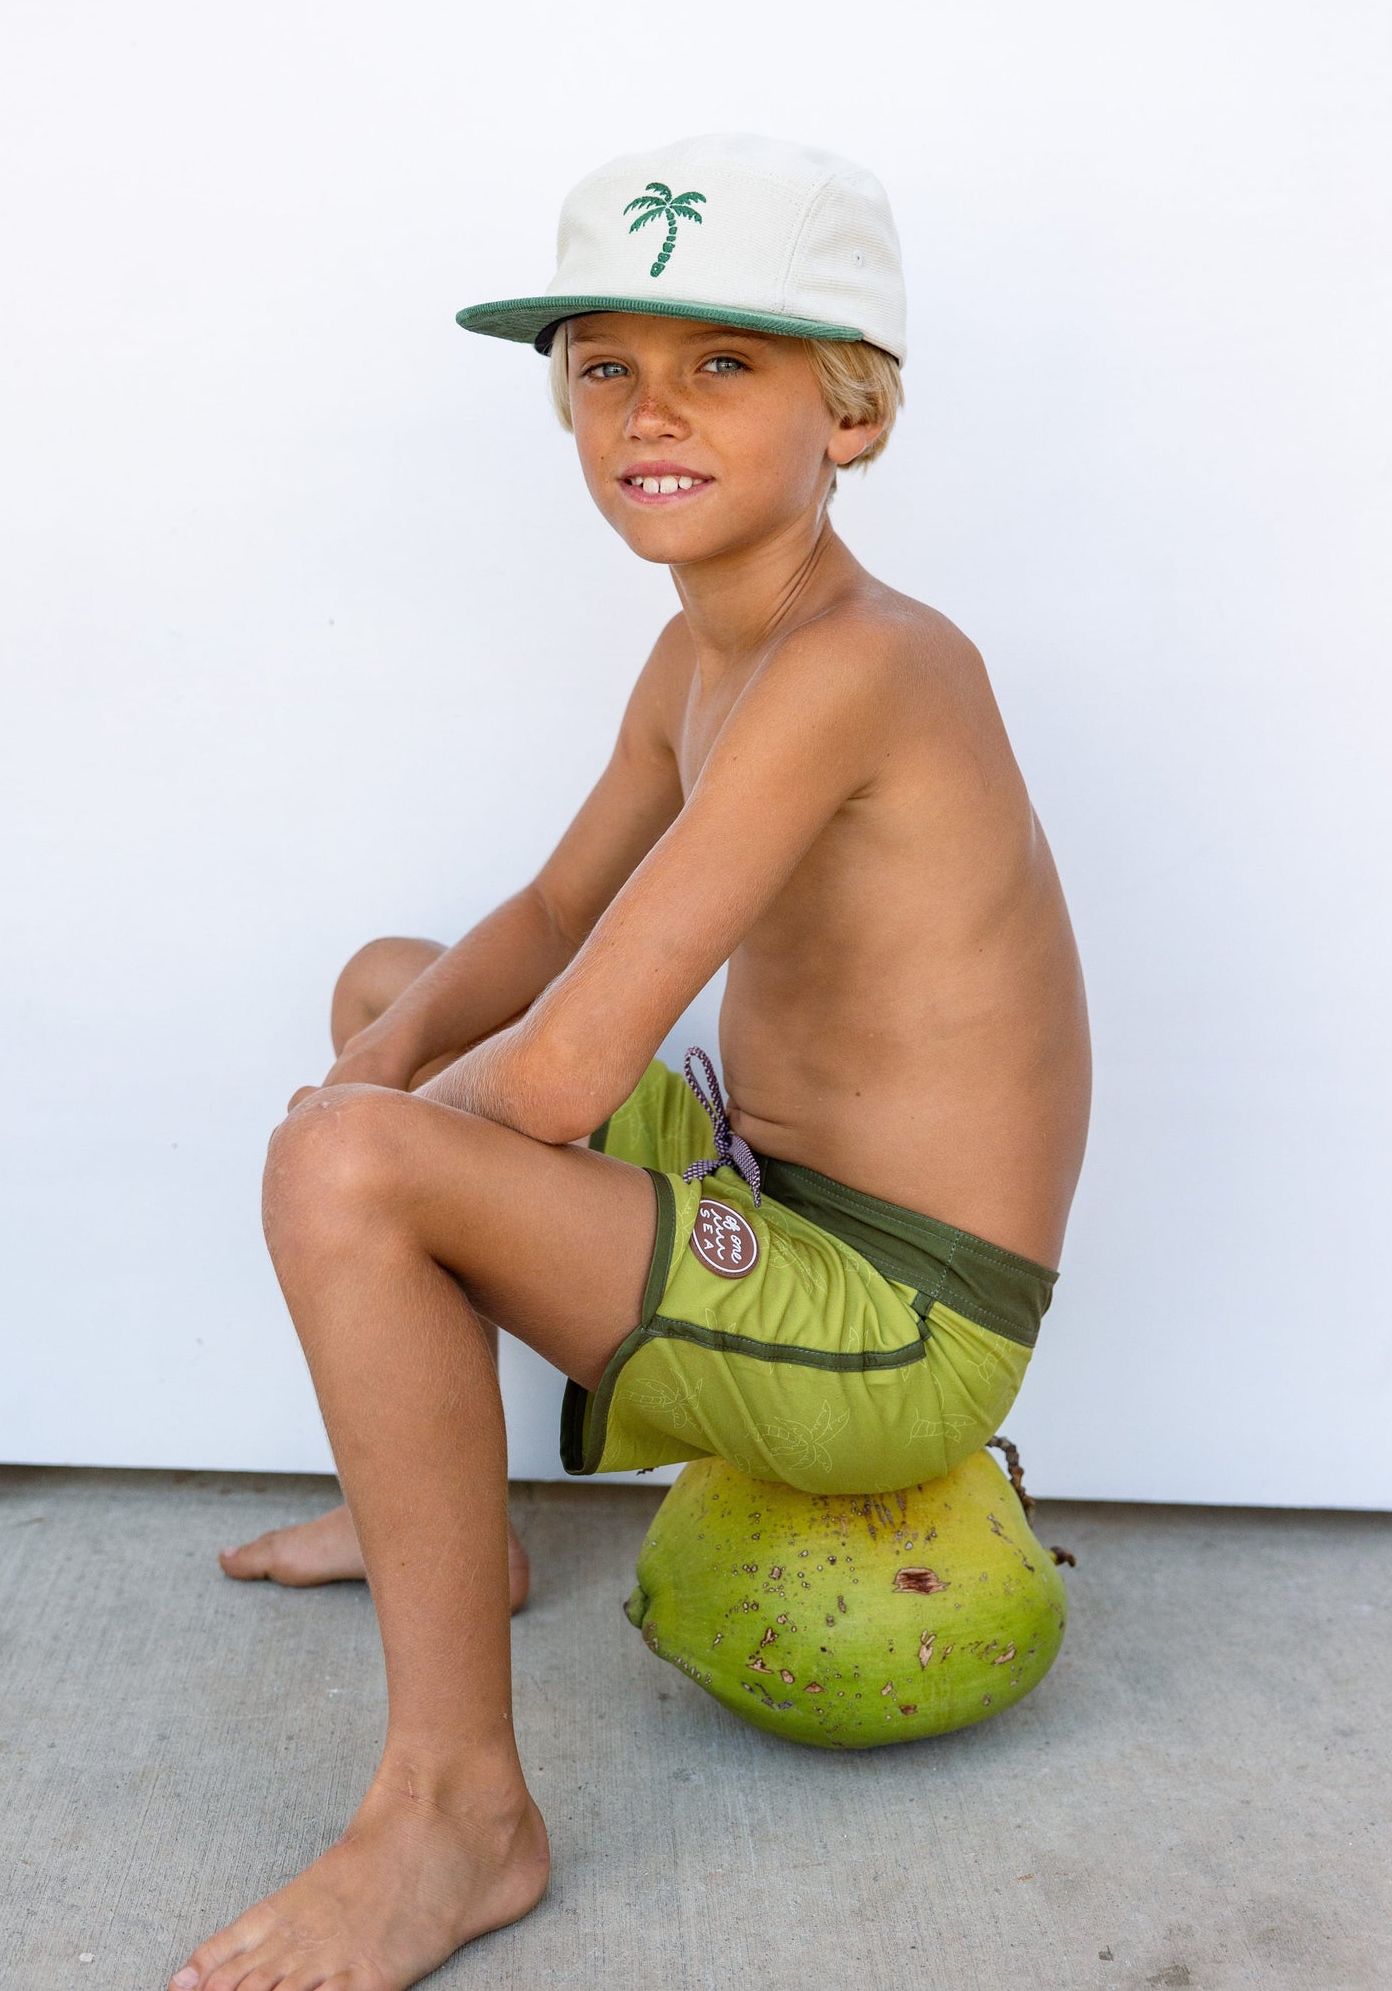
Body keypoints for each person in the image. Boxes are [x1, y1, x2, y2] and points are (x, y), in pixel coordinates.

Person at [172, 133, 1091, 1991]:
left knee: (360, 1159)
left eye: (721, 366)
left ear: (853, 414)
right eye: (605, 367)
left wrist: (361, 1146)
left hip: (902, 1326)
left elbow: (567, 1072)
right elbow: (541, 917)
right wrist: (385, 1075)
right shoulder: (701, 654)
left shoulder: (868, 664)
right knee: (389, 983)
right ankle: (434, 1510)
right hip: (777, 1193)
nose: (646, 413)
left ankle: (456, 1812)